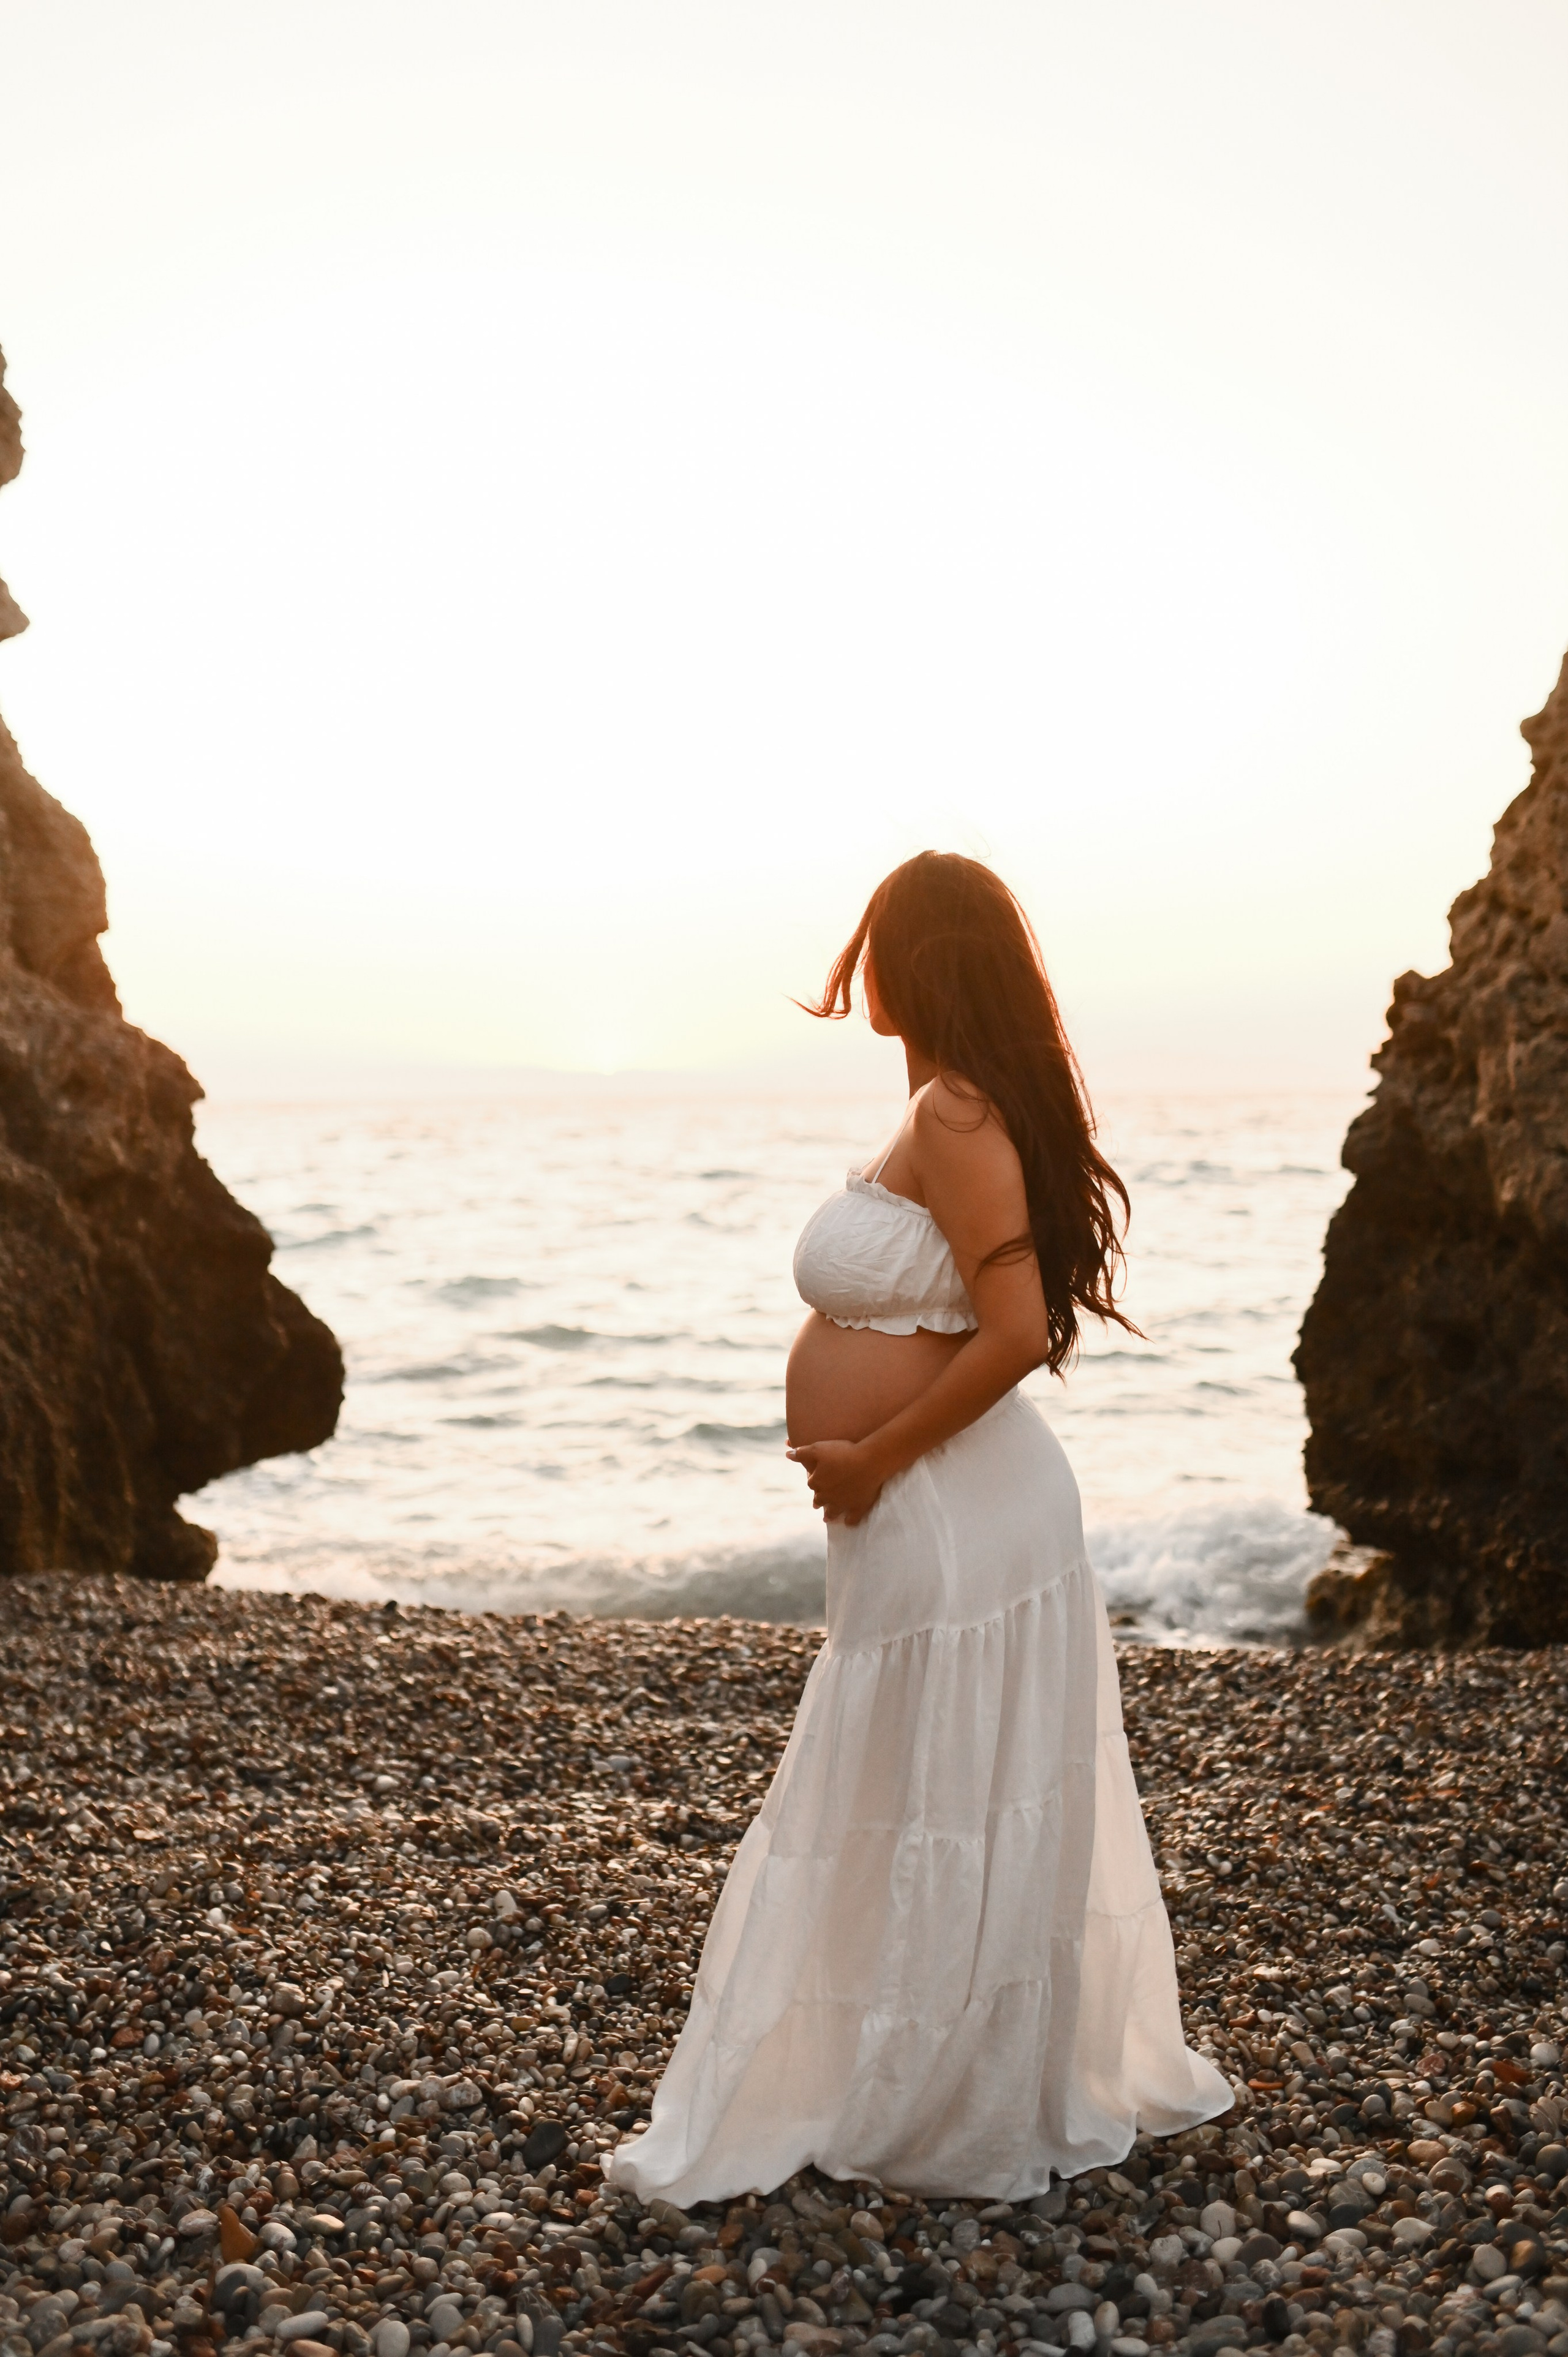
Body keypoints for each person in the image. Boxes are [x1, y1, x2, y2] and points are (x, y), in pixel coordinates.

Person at [604, 851, 1228, 2204]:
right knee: (925, 1788)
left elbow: (1016, 1334)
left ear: (923, 959)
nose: (862, 966)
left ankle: (936, 2095)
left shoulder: (953, 1113)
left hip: (948, 1504)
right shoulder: (946, 1104)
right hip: (940, 1498)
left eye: (880, 940)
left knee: (933, 1791)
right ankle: (922, 2070)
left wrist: (874, 1457)